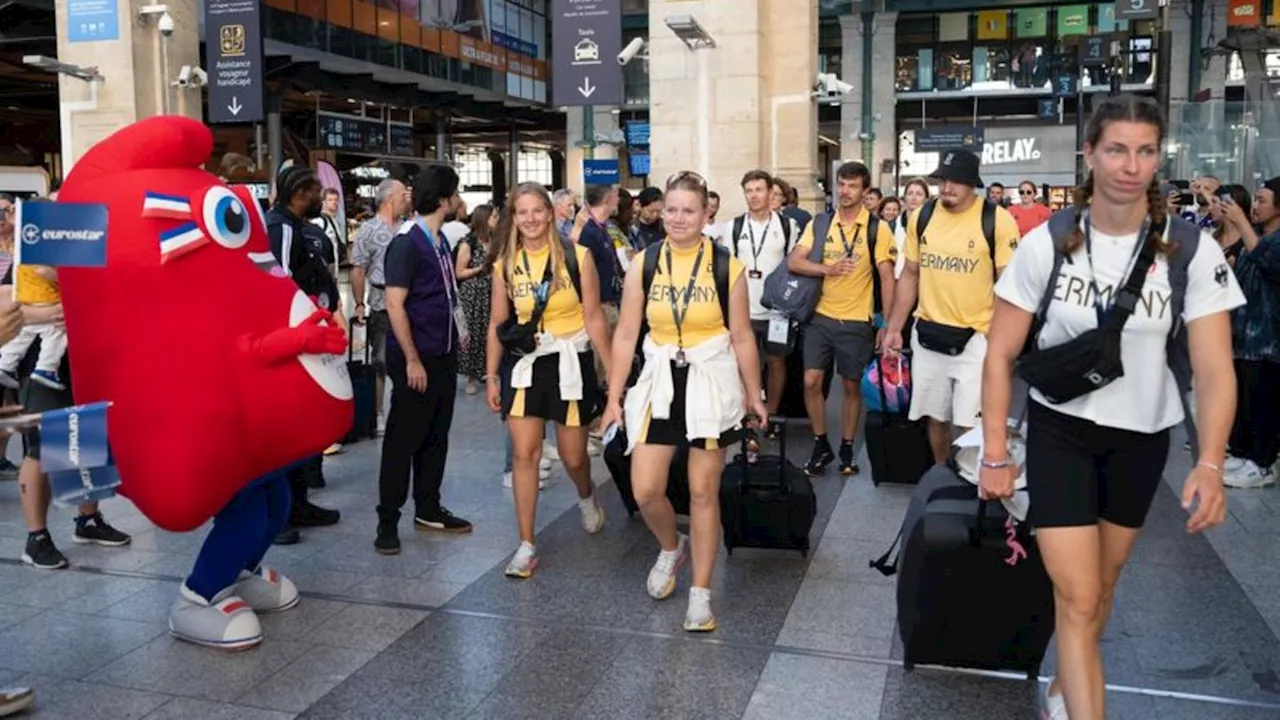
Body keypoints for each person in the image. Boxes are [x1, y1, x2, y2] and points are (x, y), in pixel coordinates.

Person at [978, 94, 1241, 720]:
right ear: (1090, 154)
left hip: (1142, 438)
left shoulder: (1190, 251)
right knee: (1077, 596)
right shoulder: (1050, 242)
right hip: (1060, 430)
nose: (1131, 165)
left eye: (1145, 151)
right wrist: (993, 452)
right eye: (1117, 149)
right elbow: (998, 354)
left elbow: (1213, 367)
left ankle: (1070, 680)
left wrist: (1209, 463)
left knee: (1103, 588)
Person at [600, 171, 767, 633]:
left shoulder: (725, 266)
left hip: (710, 381)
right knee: (646, 489)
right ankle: (672, 547)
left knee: (701, 492)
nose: (677, 218)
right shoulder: (644, 263)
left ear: (705, 213)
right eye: (670, 209)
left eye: (688, 210)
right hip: (659, 382)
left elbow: (742, 336)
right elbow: (627, 334)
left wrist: (756, 396)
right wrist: (614, 397)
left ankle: (700, 593)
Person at [485, 183, 613, 578]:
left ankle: (586, 494)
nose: (530, 219)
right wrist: (491, 376)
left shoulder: (577, 256)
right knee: (525, 454)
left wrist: (612, 376)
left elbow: (593, 316)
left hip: (570, 361)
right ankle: (526, 543)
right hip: (524, 364)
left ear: (551, 212)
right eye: (522, 212)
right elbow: (497, 322)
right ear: (514, 217)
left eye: (537, 210)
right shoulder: (505, 261)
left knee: (574, 456)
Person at [882, 148, 1020, 464]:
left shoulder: (997, 220)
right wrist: (893, 329)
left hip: (977, 338)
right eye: (943, 181)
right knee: (936, 416)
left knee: (970, 421)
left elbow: (1009, 289)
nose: (947, 188)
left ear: (973, 184)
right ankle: (943, 473)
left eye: (956, 182)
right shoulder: (923, 217)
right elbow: (909, 277)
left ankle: (972, 483)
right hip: (928, 335)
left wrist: (1003, 344)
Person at [374, 164, 474, 554]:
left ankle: (428, 507)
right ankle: (388, 519)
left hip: (443, 353)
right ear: (445, 198)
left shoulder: (439, 241)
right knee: (403, 438)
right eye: (456, 193)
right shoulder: (407, 242)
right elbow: (395, 304)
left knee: (436, 435)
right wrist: (413, 359)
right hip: (418, 357)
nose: (459, 199)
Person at [786, 161, 896, 476]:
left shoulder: (877, 228)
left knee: (851, 386)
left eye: (852, 186)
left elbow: (888, 279)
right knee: (811, 381)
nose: (845, 192)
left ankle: (847, 447)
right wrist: (827, 269)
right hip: (819, 317)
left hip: (857, 321)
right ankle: (821, 444)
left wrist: (886, 324)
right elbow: (795, 261)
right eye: (841, 185)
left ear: (864, 191)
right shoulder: (821, 223)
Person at [721, 169, 800, 442]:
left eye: (759, 190)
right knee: (744, 366)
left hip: (777, 310)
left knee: (777, 364)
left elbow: (794, 265)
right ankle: (749, 417)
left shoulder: (787, 226)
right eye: (749, 190)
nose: (754, 195)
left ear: (770, 193)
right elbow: (727, 269)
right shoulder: (734, 227)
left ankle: (772, 415)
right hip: (744, 310)